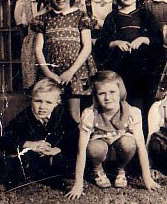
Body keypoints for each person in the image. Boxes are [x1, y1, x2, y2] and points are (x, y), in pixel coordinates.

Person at [65, 71, 160, 199]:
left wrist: (147, 178)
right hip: (99, 150)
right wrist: (78, 184)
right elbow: (81, 151)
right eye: (102, 93)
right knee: (95, 148)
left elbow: (141, 147)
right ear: (95, 95)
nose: (107, 98)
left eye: (112, 92)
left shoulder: (132, 112)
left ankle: (121, 169)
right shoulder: (90, 114)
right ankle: (97, 169)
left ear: (120, 92)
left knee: (128, 143)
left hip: (120, 150)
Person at [95, 0, 163, 117]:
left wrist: (144, 39)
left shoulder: (145, 15)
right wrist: (114, 43)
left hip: (143, 71)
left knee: (142, 105)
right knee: (122, 102)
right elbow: (102, 44)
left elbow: (158, 40)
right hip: (120, 69)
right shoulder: (112, 17)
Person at [32, 0, 96, 123]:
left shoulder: (81, 16)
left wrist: (71, 72)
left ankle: (76, 145)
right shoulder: (43, 19)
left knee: (74, 113)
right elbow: (38, 50)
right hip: (52, 72)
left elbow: (87, 47)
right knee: (51, 110)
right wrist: (47, 72)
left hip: (75, 72)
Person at [0, 78, 78, 187]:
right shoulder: (24, 117)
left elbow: (74, 135)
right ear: (31, 99)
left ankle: (55, 174)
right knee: (15, 158)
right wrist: (29, 144)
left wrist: (57, 149)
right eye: (38, 101)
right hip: (34, 156)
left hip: (53, 153)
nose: (42, 107)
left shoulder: (61, 113)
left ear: (57, 103)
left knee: (69, 155)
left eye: (48, 102)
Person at [14, 0, 52, 94]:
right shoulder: (22, 2)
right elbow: (22, 32)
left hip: (51, 45)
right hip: (31, 47)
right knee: (34, 86)